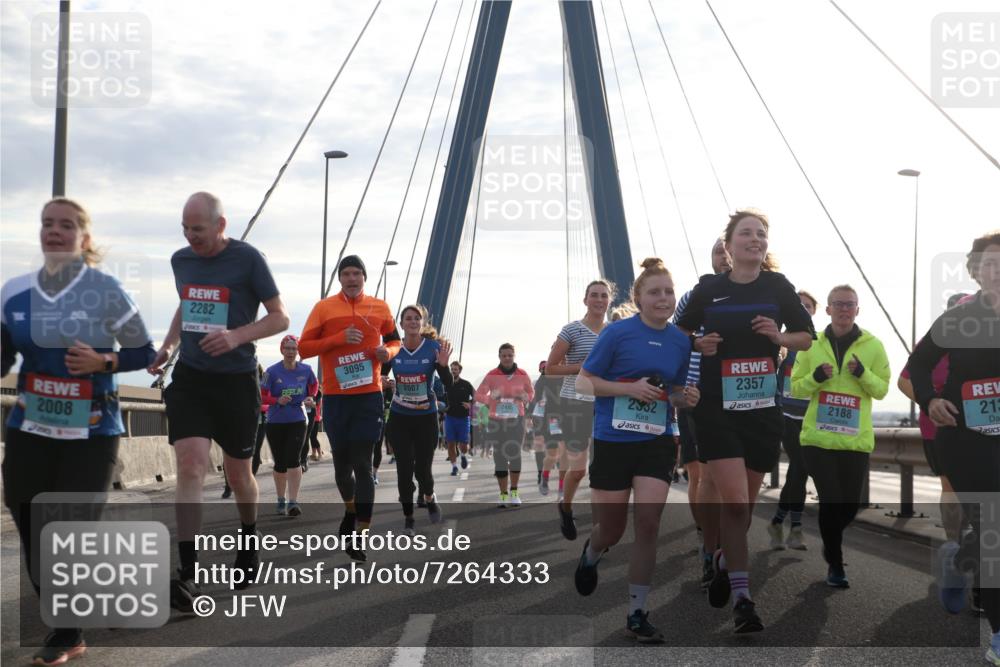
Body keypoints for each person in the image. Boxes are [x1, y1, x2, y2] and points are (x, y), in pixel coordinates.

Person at [2, 197, 156, 666]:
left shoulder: (106, 290)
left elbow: (143, 352)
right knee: (31, 522)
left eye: (65, 225)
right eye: (47, 223)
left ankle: (67, 632)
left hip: (91, 431)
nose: (54, 231)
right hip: (30, 426)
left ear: (83, 239)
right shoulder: (15, 292)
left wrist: (103, 361)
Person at [148, 192, 289, 611]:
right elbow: (186, 303)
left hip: (236, 381)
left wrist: (236, 336)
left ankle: (249, 538)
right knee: (190, 464)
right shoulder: (181, 260)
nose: (191, 237)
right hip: (191, 378)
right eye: (185, 229)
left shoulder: (248, 259)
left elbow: (280, 316)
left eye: (199, 229)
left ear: (221, 225)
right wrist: (168, 346)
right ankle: (187, 574)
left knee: (238, 472)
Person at [676, 209, 814, 633]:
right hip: (716, 409)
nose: (756, 239)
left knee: (744, 507)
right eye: (747, 233)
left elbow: (807, 335)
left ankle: (722, 558)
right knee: (734, 503)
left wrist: (779, 337)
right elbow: (675, 333)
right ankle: (744, 601)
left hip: (761, 411)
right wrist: (698, 342)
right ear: (730, 244)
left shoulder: (778, 286)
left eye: (762, 234)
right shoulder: (709, 289)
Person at [573, 258, 699, 643]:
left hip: (657, 441)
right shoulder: (617, 334)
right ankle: (593, 551)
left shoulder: (681, 340)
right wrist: (628, 388)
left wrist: (686, 396)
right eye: (654, 292)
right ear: (638, 298)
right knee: (611, 529)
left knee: (648, 525)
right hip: (613, 440)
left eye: (668, 292)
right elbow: (583, 384)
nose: (663, 299)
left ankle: (637, 612)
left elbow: (674, 391)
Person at [907, 231, 1000, 665]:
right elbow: (920, 365)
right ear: (975, 271)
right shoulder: (960, 318)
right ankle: (999, 637)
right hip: (965, 439)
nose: (998, 270)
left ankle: (961, 555)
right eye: (990, 263)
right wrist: (930, 400)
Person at [298, 255, 400, 562]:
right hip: (337, 397)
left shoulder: (380, 307)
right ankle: (351, 510)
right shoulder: (324, 308)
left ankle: (361, 532)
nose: (352, 278)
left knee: (363, 465)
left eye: (357, 273)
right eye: (346, 274)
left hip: (368, 395)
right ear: (340, 278)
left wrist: (388, 351)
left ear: (364, 278)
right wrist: (337, 338)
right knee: (342, 469)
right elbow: (304, 348)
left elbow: (395, 341)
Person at [791, 285, 889, 587]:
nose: (844, 309)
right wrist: (816, 378)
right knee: (831, 501)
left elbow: (882, 389)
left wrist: (862, 374)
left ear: (857, 310)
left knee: (850, 505)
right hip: (817, 439)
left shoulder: (873, 346)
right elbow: (795, 387)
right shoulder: (812, 344)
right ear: (829, 310)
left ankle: (829, 541)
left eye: (850, 304)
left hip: (854, 440)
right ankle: (835, 563)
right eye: (838, 304)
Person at [673, 237, 731, 586]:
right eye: (716, 252)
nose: (722, 257)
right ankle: (708, 540)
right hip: (694, 394)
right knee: (700, 476)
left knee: (728, 482)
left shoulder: (760, 294)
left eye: (726, 251)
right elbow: (675, 338)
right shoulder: (694, 296)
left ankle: (718, 540)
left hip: (739, 398)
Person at [546, 280, 613, 540]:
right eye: (594, 295)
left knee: (603, 470)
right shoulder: (572, 330)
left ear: (609, 300)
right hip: (574, 402)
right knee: (579, 470)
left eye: (604, 296)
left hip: (606, 402)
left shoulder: (615, 331)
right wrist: (582, 366)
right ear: (585, 300)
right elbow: (550, 368)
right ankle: (565, 507)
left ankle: (601, 529)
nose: (599, 300)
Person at [385, 305, 453, 535]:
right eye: (408, 319)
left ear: (422, 323)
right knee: (404, 470)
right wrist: (383, 383)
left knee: (423, 470)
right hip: (400, 417)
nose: (413, 322)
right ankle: (409, 518)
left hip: (425, 417)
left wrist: (443, 367)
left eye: (417, 318)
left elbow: (448, 383)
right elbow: (380, 376)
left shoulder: (433, 348)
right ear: (401, 324)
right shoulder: (393, 349)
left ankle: (430, 497)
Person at [767, 290, 818, 550]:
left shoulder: (819, 345)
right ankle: (795, 528)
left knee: (799, 471)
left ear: (814, 311)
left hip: (810, 416)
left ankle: (779, 521)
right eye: (800, 306)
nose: (804, 309)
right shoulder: (780, 340)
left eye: (808, 306)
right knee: (800, 464)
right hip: (785, 414)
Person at [261, 335, 317, 517]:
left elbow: (314, 386)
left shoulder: (307, 369)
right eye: (288, 348)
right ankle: (280, 499)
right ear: (282, 350)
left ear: (297, 350)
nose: (291, 352)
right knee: (280, 463)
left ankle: (293, 501)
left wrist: (310, 397)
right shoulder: (271, 371)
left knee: (293, 459)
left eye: (294, 348)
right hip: (275, 421)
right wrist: (277, 400)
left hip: (297, 419)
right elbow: (261, 395)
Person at [475, 343, 534, 507]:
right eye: (504, 355)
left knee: (515, 453)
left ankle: (514, 491)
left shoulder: (522, 374)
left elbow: (531, 393)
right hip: (496, 420)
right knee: (499, 457)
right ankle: (503, 494)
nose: (507, 358)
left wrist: (525, 397)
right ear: (499, 357)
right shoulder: (492, 375)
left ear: (514, 356)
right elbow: (479, 395)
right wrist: (490, 398)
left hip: (516, 419)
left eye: (510, 355)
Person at [529, 360, 564, 496]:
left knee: (565, 454)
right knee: (552, 455)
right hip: (549, 419)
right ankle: (544, 476)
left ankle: (562, 487)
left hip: (569, 418)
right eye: (543, 368)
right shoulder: (542, 380)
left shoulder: (570, 374)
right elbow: (535, 399)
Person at [444, 360, 476, 475]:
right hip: (450, 418)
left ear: (460, 371)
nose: (453, 371)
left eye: (455, 369)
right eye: (452, 369)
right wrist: (442, 405)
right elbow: (439, 396)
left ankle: (463, 455)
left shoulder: (466, 384)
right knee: (451, 443)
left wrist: (470, 404)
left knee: (463, 444)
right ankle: (454, 467)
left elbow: (477, 396)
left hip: (463, 418)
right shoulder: (446, 384)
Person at [307, 388, 323, 461]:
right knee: (311, 436)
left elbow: (315, 405)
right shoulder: (313, 395)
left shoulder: (318, 395)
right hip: (311, 417)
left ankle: (319, 453)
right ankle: (314, 453)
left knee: (313, 436)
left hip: (315, 418)